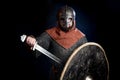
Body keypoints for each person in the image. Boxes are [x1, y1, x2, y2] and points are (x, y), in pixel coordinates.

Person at [25, 5, 88, 80]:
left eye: (69, 19)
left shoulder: (81, 37)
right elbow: (37, 46)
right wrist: (32, 40)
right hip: (57, 76)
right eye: (62, 19)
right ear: (58, 20)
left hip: (76, 76)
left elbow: (88, 59)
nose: (66, 22)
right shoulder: (50, 34)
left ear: (73, 20)